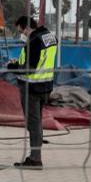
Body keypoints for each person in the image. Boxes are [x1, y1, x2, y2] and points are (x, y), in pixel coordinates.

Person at [7, 16, 58, 169]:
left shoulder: (33, 41)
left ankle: (35, 160)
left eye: (20, 31)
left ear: (26, 27)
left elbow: (30, 68)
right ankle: (35, 155)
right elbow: (42, 60)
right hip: (46, 86)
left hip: (32, 88)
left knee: (33, 124)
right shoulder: (50, 37)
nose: (21, 34)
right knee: (38, 122)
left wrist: (11, 67)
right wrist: (19, 63)